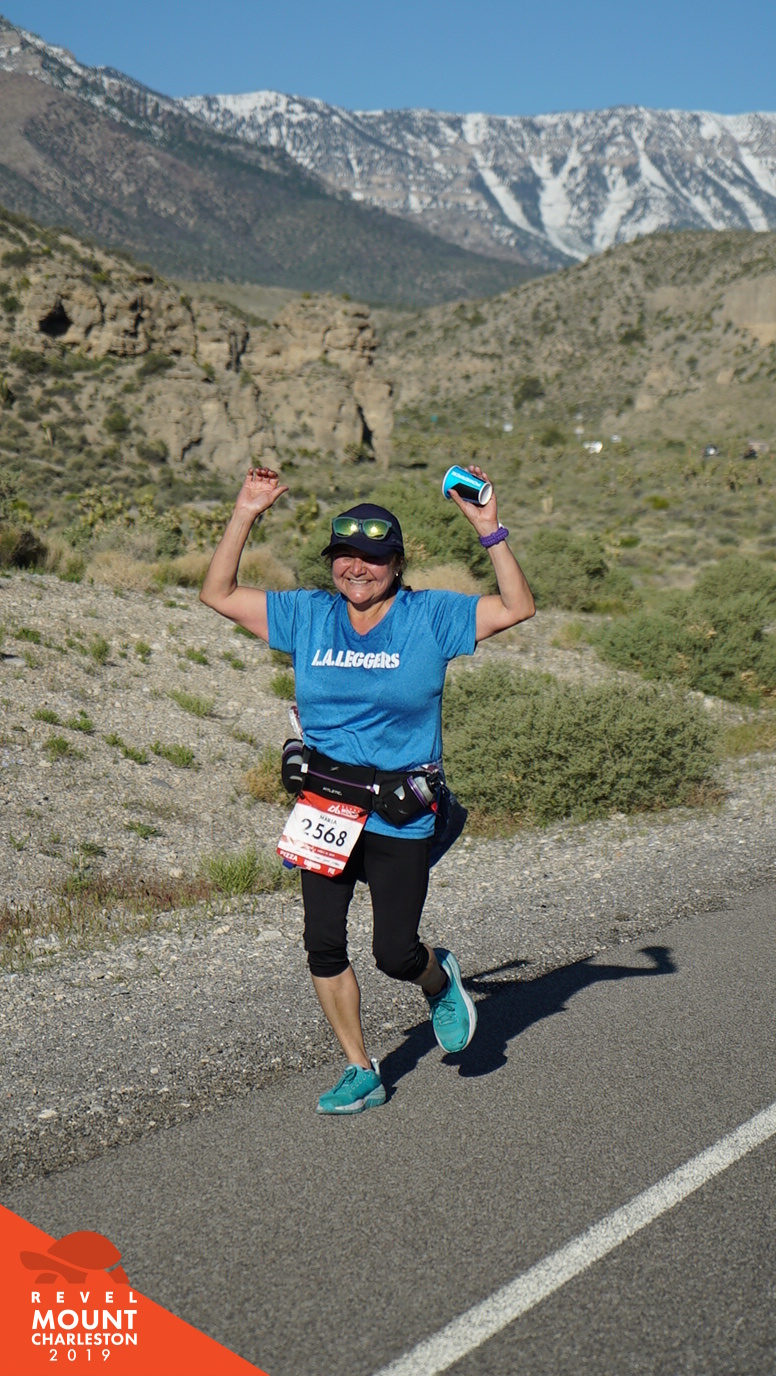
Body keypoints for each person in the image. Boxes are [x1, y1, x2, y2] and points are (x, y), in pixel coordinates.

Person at [200, 465, 535, 1114]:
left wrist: (489, 531)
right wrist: (245, 512)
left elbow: (517, 608)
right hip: (325, 804)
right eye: (344, 556)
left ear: (397, 563)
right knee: (322, 942)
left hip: (398, 811)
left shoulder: (430, 616)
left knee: (394, 952)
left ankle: (437, 978)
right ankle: (361, 1069)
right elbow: (218, 592)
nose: (357, 568)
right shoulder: (307, 615)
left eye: (374, 558)